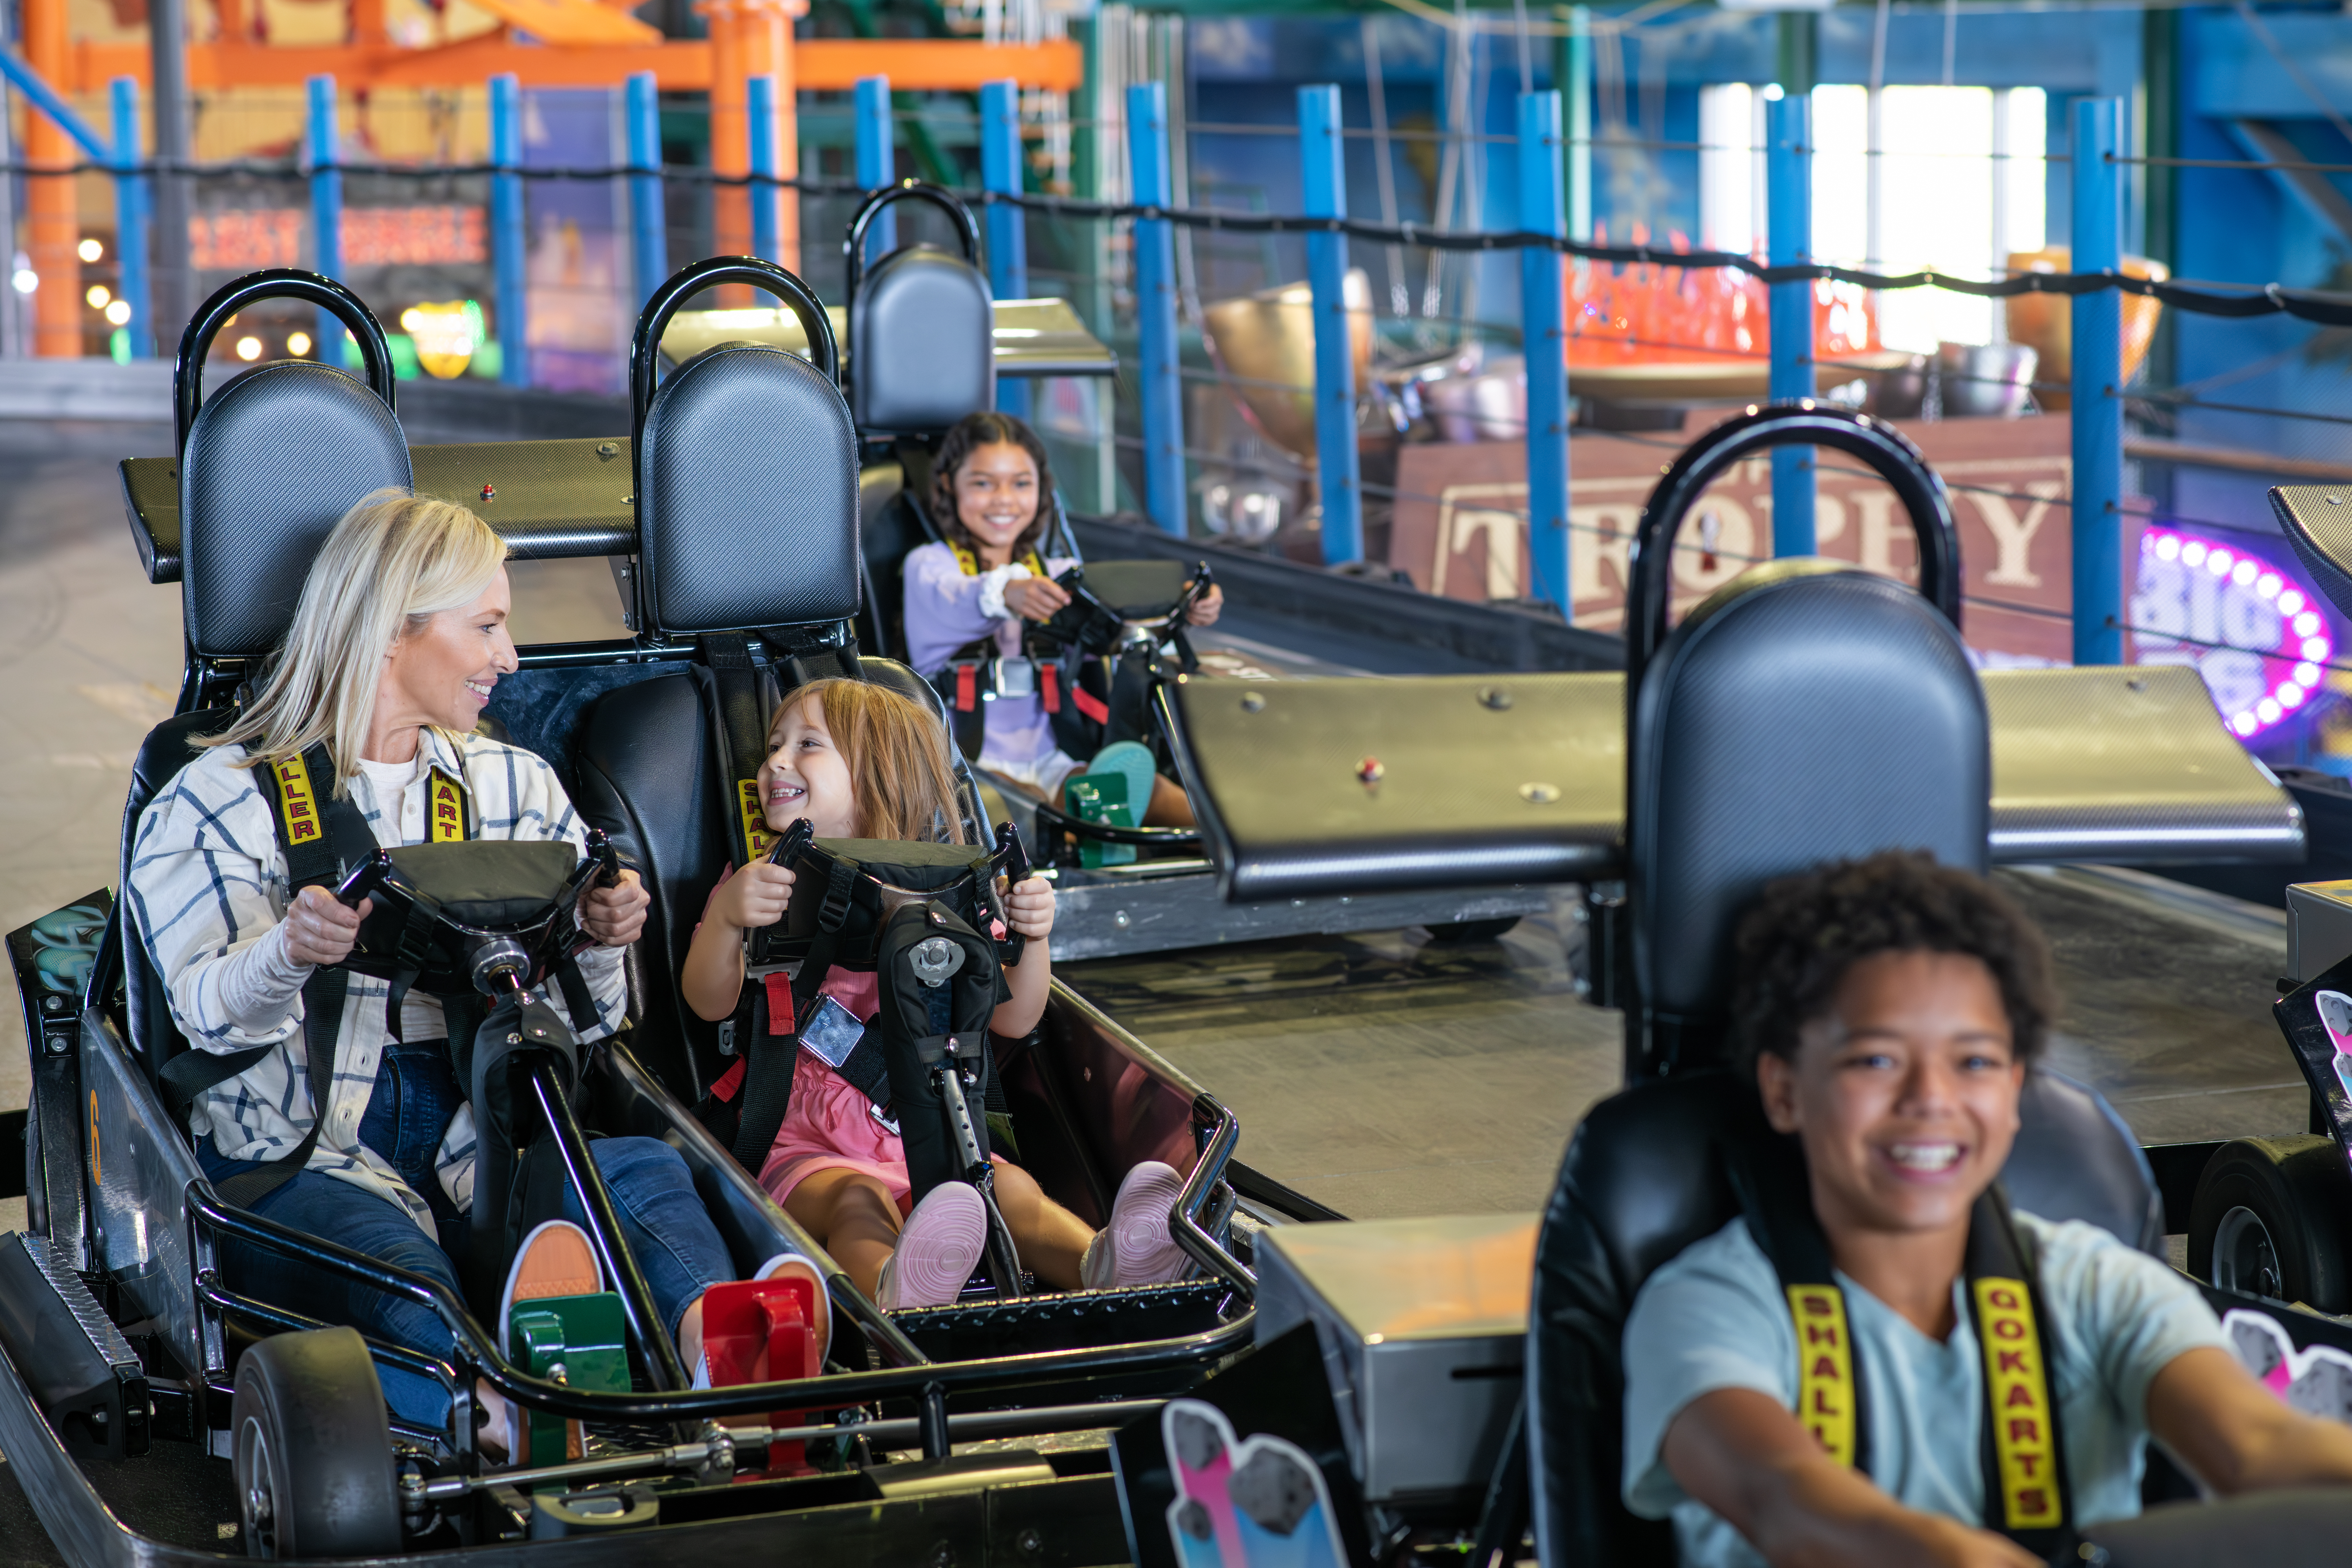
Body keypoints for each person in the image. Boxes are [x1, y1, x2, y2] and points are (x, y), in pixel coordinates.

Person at [130, 491, 821, 1451]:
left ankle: (728, 1357)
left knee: (643, 1174)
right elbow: (205, 1017)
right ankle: (503, 1414)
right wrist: (287, 951)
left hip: (482, 1115)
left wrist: (600, 934)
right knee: (401, 1269)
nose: (511, 658)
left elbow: (590, 1028)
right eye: (488, 626)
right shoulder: (217, 798)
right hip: (297, 1146)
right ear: (387, 632)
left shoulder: (511, 785)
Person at [1620, 850, 2352, 1567]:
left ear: (2012, 1097)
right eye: (1875, 1060)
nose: (1930, 1100)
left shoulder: (2096, 1287)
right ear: (1783, 1090)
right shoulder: (1711, 1307)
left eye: (1973, 1062)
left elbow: (2258, 1446)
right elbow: (1785, 1501)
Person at [680, 676, 1193, 1308]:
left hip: (936, 1122)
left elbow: (1015, 1017)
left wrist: (1032, 936)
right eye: (775, 745)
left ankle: (1100, 1260)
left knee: (1011, 1191)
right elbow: (709, 1002)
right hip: (806, 1140)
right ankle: (893, 1288)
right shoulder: (764, 881)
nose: (775, 762)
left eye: (807, 744)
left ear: (881, 775)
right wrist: (730, 918)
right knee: (856, 1200)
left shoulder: (950, 885)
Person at [901, 410, 1222, 825]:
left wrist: (1182, 608)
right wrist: (1010, 592)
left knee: (1156, 796)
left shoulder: (1060, 574)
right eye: (983, 483)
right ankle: (1086, 831)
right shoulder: (930, 567)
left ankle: (1233, 838)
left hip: (1055, 758)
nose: (1004, 499)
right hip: (964, 764)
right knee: (1032, 807)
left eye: (1021, 484)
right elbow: (963, 599)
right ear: (948, 485)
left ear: (1042, 491)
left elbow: (1117, 625)